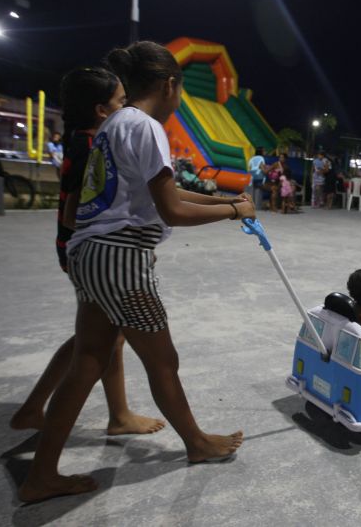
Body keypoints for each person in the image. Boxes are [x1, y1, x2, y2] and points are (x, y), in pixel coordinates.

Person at [18, 41, 255, 504]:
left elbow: (165, 195)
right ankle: (197, 443)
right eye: (180, 90)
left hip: (89, 253)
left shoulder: (116, 124)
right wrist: (231, 212)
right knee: (162, 359)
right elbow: (170, 211)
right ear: (169, 85)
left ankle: (40, 475)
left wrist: (231, 204)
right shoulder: (147, 127)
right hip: (120, 259)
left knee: (89, 359)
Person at [9, 67, 166, 437]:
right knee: (97, 340)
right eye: (120, 102)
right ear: (101, 109)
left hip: (81, 245)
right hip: (88, 247)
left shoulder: (89, 137)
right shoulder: (91, 143)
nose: (126, 109)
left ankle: (110, 413)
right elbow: (74, 208)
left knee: (105, 335)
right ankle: (61, 409)